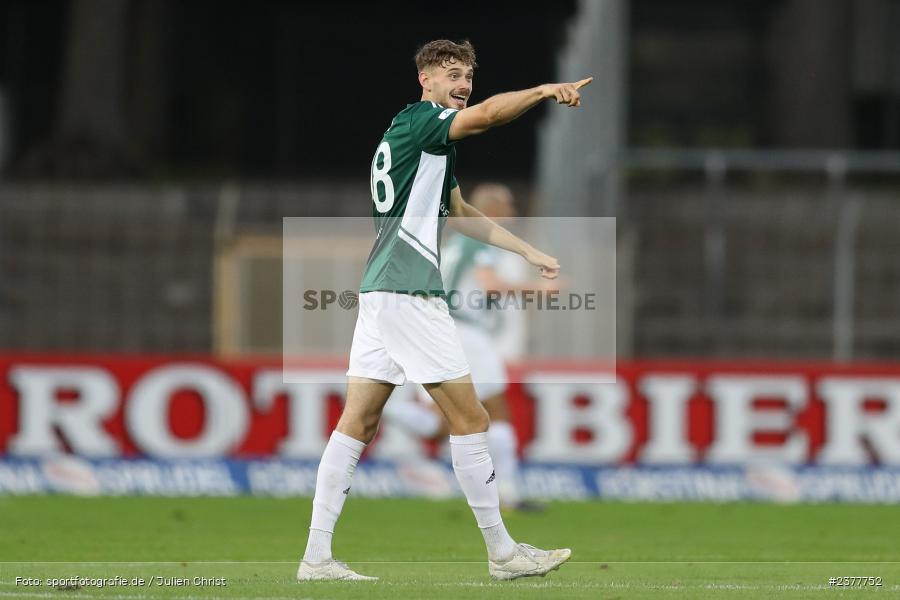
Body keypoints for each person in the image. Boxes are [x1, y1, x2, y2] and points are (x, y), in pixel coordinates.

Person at [297, 39, 591, 582]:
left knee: (358, 421)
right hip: (410, 292)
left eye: (469, 77)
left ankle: (316, 558)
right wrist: (545, 90)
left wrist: (526, 252)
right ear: (425, 80)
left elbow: (460, 211)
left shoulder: (413, 137)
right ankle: (503, 554)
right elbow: (485, 118)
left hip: (382, 290)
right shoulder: (425, 122)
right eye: (452, 73)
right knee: (472, 417)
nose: (463, 85)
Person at [383, 183, 556, 511]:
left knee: (441, 422)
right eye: (508, 209)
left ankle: (380, 407)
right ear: (492, 212)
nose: (513, 216)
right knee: (497, 410)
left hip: (436, 330)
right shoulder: (479, 243)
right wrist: (538, 290)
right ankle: (508, 493)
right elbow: (490, 284)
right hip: (465, 332)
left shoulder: (450, 245)